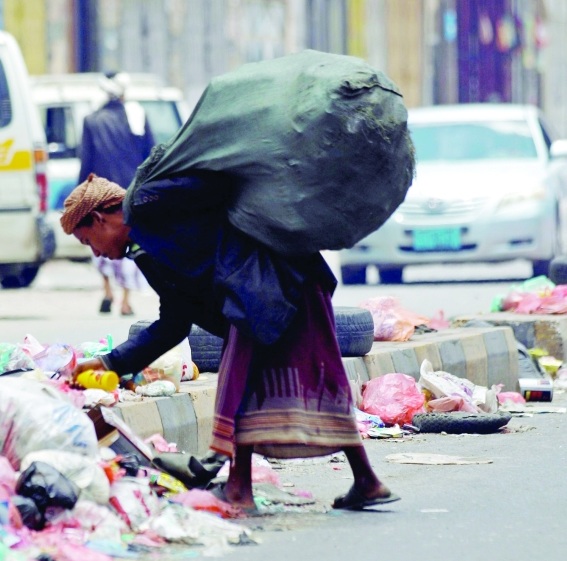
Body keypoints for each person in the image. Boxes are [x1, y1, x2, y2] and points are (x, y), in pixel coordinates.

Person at [64, 174, 398, 513]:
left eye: (88, 240)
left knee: (240, 386)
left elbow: (174, 323)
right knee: (312, 378)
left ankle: (240, 489)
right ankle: (366, 479)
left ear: (101, 219)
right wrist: (113, 363)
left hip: (265, 287)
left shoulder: (152, 232)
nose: (97, 254)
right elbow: (179, 313)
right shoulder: (153, 228)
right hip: (293, 278)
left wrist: (110, 364)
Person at [77, 73, 155, 316]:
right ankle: (125, 300)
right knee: (126, 242)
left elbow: (86, 160)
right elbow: (151, 157)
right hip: (130, 194)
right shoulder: (137, 118)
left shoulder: (92, 120)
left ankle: (107, 290)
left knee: (100, 242)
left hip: (99, 194)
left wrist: (81, 194)